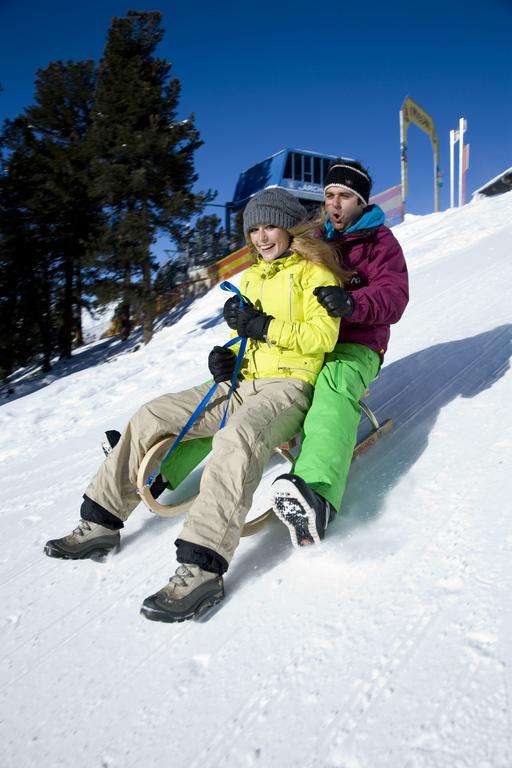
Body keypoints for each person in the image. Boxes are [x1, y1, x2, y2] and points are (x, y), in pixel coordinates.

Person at [44, 187, 352, 622]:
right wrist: (228, 356)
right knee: (152, 413)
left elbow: (324, 338)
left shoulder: (314, 272)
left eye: (270, 226)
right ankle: (100, 521)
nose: (262, 237)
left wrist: (264, 326)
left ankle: (201, 568)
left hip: (290, 386)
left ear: (288, 226)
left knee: (237, 437)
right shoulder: (252, 276)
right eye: (254, 229)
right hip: (245, 380)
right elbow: (251, 337)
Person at [267, 159, 409, 547]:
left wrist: (352, 302)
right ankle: (165, 462)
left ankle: (317, 497)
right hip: (309, 338)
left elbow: (395, 297)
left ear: (361, 201)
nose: (335, 203)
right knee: (254, 378)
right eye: (330, 194)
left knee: (333, 381)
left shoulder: (380, 243)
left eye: (345, 196)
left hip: (356, 344)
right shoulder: (313, 238)